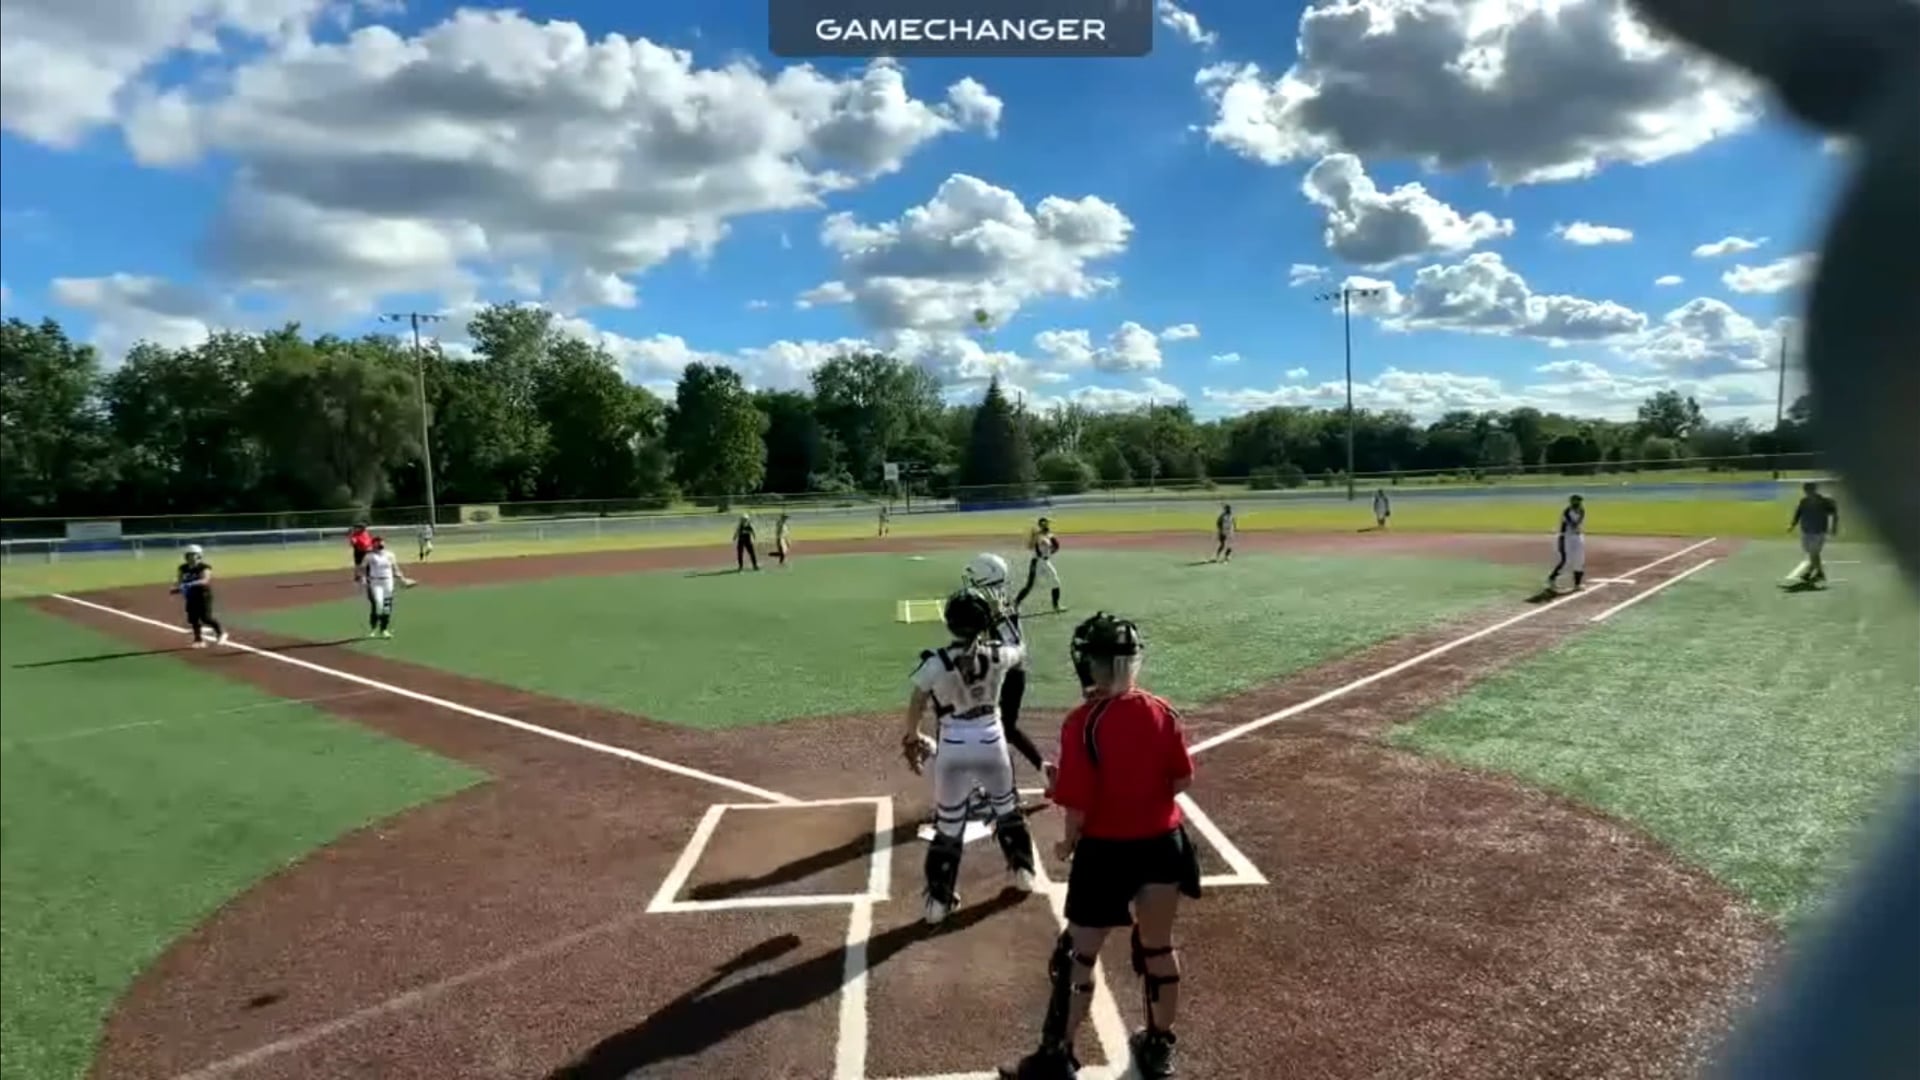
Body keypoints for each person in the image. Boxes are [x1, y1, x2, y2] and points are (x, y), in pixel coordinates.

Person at [1000, 612, 1199, 1080]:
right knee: (1157, 948)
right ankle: (1159, 1046)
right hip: (1163, 844)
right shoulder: (1162, 710)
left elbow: (1079, 805)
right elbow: (1181, 780)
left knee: (1077, 954)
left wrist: (1068, 842)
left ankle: (1056, 1058)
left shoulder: (1083, 722)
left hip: (1106, 852)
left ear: (1090, 664)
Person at [901, 588, 1039, 925]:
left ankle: (937, 904)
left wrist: (912, 735)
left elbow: (917, 700)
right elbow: (1020, 648)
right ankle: (1023, 872)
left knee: (949, 826)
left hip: (953, 746)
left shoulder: (935, 662)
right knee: (1007, 809)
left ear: (950, 622)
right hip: (992, 741)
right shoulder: (998, 654)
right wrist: (1002, 617)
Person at [964, 552, 1057, 791]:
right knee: (1006, 728)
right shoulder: (994, 599)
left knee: (994, 730)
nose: (970, 579)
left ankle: (1005, 789)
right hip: (1005, 673)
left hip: (1007, 674)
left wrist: (995, 619)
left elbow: (1012, 643)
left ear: (986, 575)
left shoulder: (996, 604)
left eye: (974, 574)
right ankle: (1043, 769)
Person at [169, 544, 226, 648]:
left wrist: (190, 584)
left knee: (206, 618)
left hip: (203, 595)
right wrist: (177, 588)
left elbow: (205, 580)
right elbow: (180, 580)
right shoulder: (183, 568)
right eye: (189, 555)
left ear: (199, 555)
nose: (191, 557)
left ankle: (221, 633)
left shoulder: (204, 567)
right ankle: (198, 640)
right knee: (193, 618)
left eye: (194, 555)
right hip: (190, 596)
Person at [360, 535, 415, 639]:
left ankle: (384, 629)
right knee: (378, 604)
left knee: (386, 606)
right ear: (373, 544)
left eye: (381, 542)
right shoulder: (369, 556)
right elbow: (362, 568)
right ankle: (373, 628)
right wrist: (363, 578)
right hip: (375, 582)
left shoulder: (390, 555)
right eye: (377, 542)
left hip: (388, 582)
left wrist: (402, 579)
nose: (380, 544)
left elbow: (395, 568)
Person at [1786, 481, 1840, 587]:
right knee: (1811, 553)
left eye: (1809, 490)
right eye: (1806, 490)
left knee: (1814, 553)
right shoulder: (1804, 501)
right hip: (1806, 531)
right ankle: (1812, 572)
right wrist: (1792, 525)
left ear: (1814, 490)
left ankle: (1819, 573)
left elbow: (1834, 513)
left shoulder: (1823, 501)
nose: (1807, 492)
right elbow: (1798, 513)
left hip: (1819, 531)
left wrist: (1834, 527)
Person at [1015, 516, 1063, 613]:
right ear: (1042, 525)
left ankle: (1056, 606)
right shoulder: (1038, 536)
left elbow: (1055, 546)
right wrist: (1034, 537)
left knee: (1055, 582)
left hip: (1045, 562)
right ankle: (1016, 603)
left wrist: (1051, 550)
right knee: (1029, 586)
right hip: (1037, 562)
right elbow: (1030, 546)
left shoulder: (1049, 535)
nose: (1048, 525)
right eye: (1046, 523)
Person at [1547, 494, 1587, 592]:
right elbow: (1573, 524)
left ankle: (1577, 584)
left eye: (1579, 501)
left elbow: (1579, 522)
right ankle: (1552, 578)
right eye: (1575, 501)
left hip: (1578, 537)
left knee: (1579, 560)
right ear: (1571, 502)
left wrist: (1578, 529)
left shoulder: (1581, 510)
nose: (1578, 503)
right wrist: (1576, 527)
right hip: (1566, 537)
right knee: (1567, 561)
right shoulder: (1567, 512)